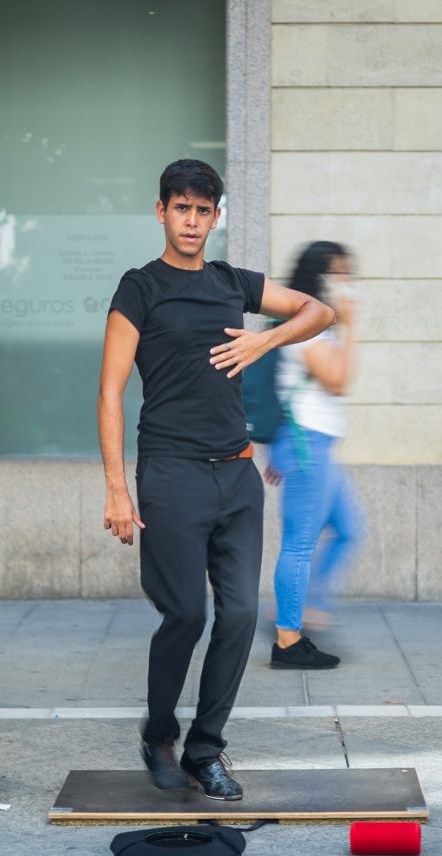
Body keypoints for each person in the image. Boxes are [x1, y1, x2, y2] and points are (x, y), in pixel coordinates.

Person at [97, 160, 335, 801]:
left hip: (237, 477)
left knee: (240, 615)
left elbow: (319, 311)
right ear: (161, 211)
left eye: (204, 211)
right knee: (186, 613)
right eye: (182, 208)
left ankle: (205, 749)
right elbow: (111, 393)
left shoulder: (234, 283)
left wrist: (265, 342)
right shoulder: (140, 288)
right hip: (171, 475)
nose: (192, 221)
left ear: (215, 217)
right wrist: (118, 488)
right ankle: (158, 734)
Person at [266, 241, 365, 669]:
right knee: (300, 543)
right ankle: (288, 639)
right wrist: (352, 325)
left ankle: (305, 605)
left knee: (350, 529)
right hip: (307, 444)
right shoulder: (304, 325)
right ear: (318, 277)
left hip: (314, 443)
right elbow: (338, 380)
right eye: (339, 273)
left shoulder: (317, 326)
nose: (347, 282)